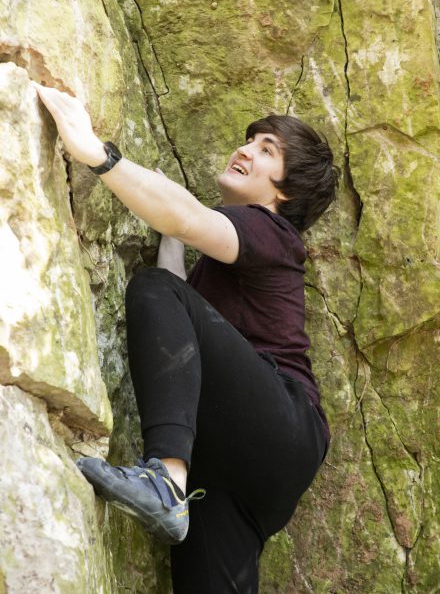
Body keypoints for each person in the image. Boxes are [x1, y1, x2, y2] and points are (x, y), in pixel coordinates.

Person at [33, 82, 338, 593]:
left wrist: (95, 153)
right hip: (243, 468)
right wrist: (172, 232)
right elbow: (181, 293)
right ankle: (175, 486)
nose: (245, 149)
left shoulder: (270, 230)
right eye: (250, 140)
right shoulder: (234, 253)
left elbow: (185, 233)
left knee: (153, 288)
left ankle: (166, 480)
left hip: (281, 420)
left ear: (285, 193)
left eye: (267, 150)